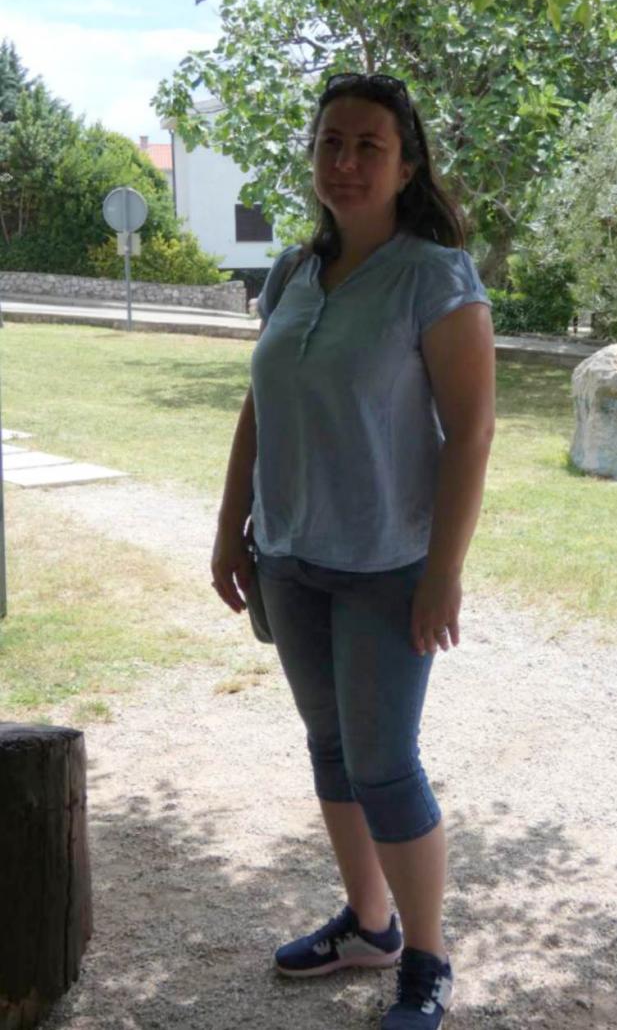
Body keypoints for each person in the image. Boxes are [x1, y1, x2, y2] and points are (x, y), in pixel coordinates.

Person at [211, 72, 495, 1030]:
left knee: (384, 764)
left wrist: (442, 572)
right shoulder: (293, 272)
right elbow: (261, 403)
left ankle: (426, 958)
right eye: (330, 141)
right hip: (289, 556)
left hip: (385, 566)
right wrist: (231, 525)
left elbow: (471, 432)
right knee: (330, 748)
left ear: (406, 165)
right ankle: (369, 927)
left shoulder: (434, 276)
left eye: (368, 145)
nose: (344, 161)